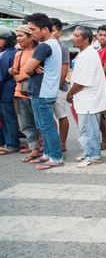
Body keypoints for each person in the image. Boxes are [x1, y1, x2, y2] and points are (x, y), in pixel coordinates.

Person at [23, 13, 63, 170]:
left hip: (42, 92)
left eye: (33, 29)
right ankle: (47, 153)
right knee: (43, 125)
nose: (31, 32)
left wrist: (31, 69)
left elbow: (26, 69)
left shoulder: (44, 46)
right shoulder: (53, 44)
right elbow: (30, 68)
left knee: (46, 126)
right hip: (44, 91)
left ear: (45, 29)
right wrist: (33, 68)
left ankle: (55, 157)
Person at [67, 26, 106, 168]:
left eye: (77, 35)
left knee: (89, 129)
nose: (73, 37)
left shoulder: (89, 54)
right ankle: (88, 153)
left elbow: (81, 81)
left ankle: (93, 156)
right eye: (73, 34)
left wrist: (70, 93)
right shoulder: (84, 53)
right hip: (85, 99)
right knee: (85, 128)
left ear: (86, 39)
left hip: (89, 99)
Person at [9, 25, 39, 161]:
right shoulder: (18, 54)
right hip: (20, 92)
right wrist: (20, 73)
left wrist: (21, 74)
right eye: (17, 36)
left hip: (36, 93)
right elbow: (16, 75)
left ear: (30, 37)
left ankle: (46, 148)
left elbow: (32, 73)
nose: (18, 39)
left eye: (21, 36)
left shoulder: (38, 52)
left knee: (40, 123)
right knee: (25, 124)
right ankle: (34, 149)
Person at [50, 18, 70, 152]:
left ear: (59, 32)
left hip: (59, 89)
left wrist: (57, 86)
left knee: (61, 115)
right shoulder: (49, 45)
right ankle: (54, 142)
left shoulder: (62, 48)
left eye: (53, 30)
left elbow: (65, 69)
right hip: (48, 88)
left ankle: (62, 143)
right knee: (49, 117)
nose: (50, 33)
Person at [0, 27, 19, 155]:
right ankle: (9, 142)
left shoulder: (5, 55)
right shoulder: (15, 52)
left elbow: (0, 77)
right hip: (12, 89)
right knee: (9, 118)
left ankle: (11, 144)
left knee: (8, 118)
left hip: (6, 91)